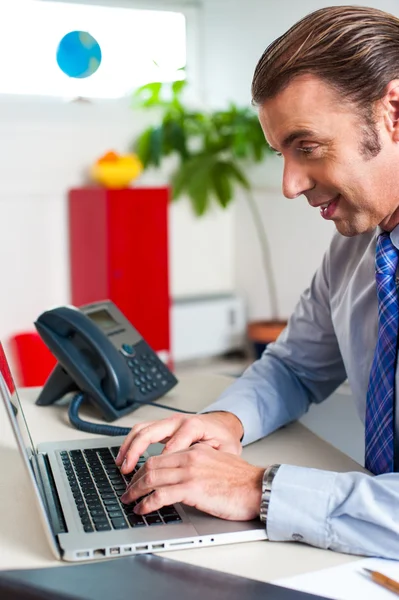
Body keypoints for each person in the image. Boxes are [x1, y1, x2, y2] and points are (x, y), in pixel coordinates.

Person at [115, 5, 399, 559]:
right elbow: (295, 366)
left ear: (394, 112)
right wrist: (226, 420)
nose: (290, 185)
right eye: (281, 155)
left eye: (307, 146)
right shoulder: (354, 248)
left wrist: (257, 488)